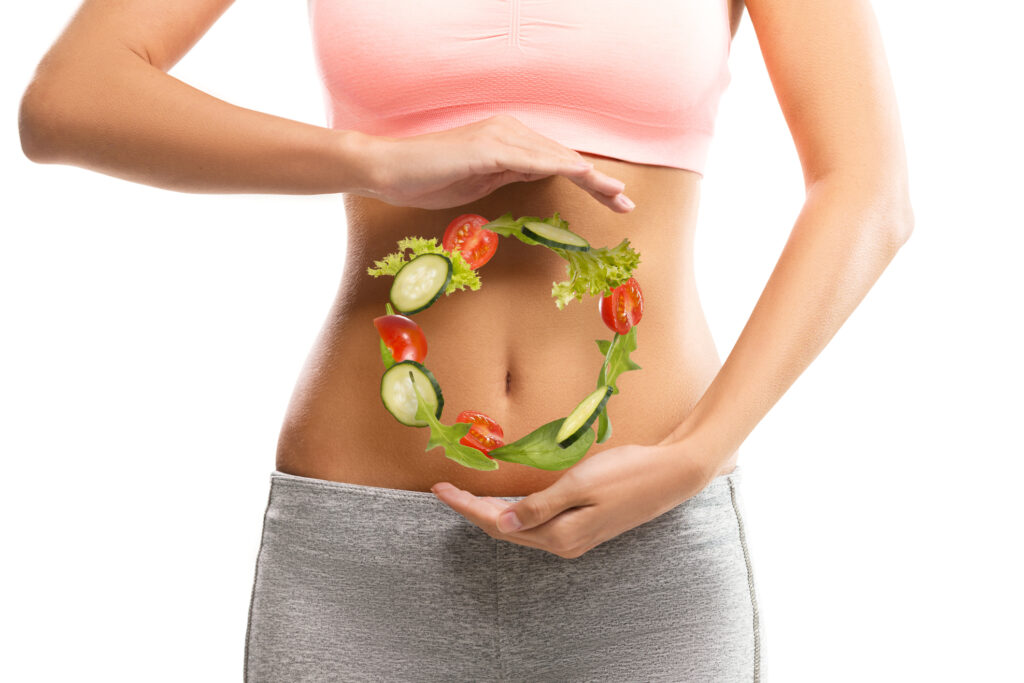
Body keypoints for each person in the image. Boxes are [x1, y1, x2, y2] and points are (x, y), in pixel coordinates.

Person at [18, 0, 913, 680]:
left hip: (647, 547)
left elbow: (867, 185)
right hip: (358, 556)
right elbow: (67, 100)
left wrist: (698, 453)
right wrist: (377, 158)